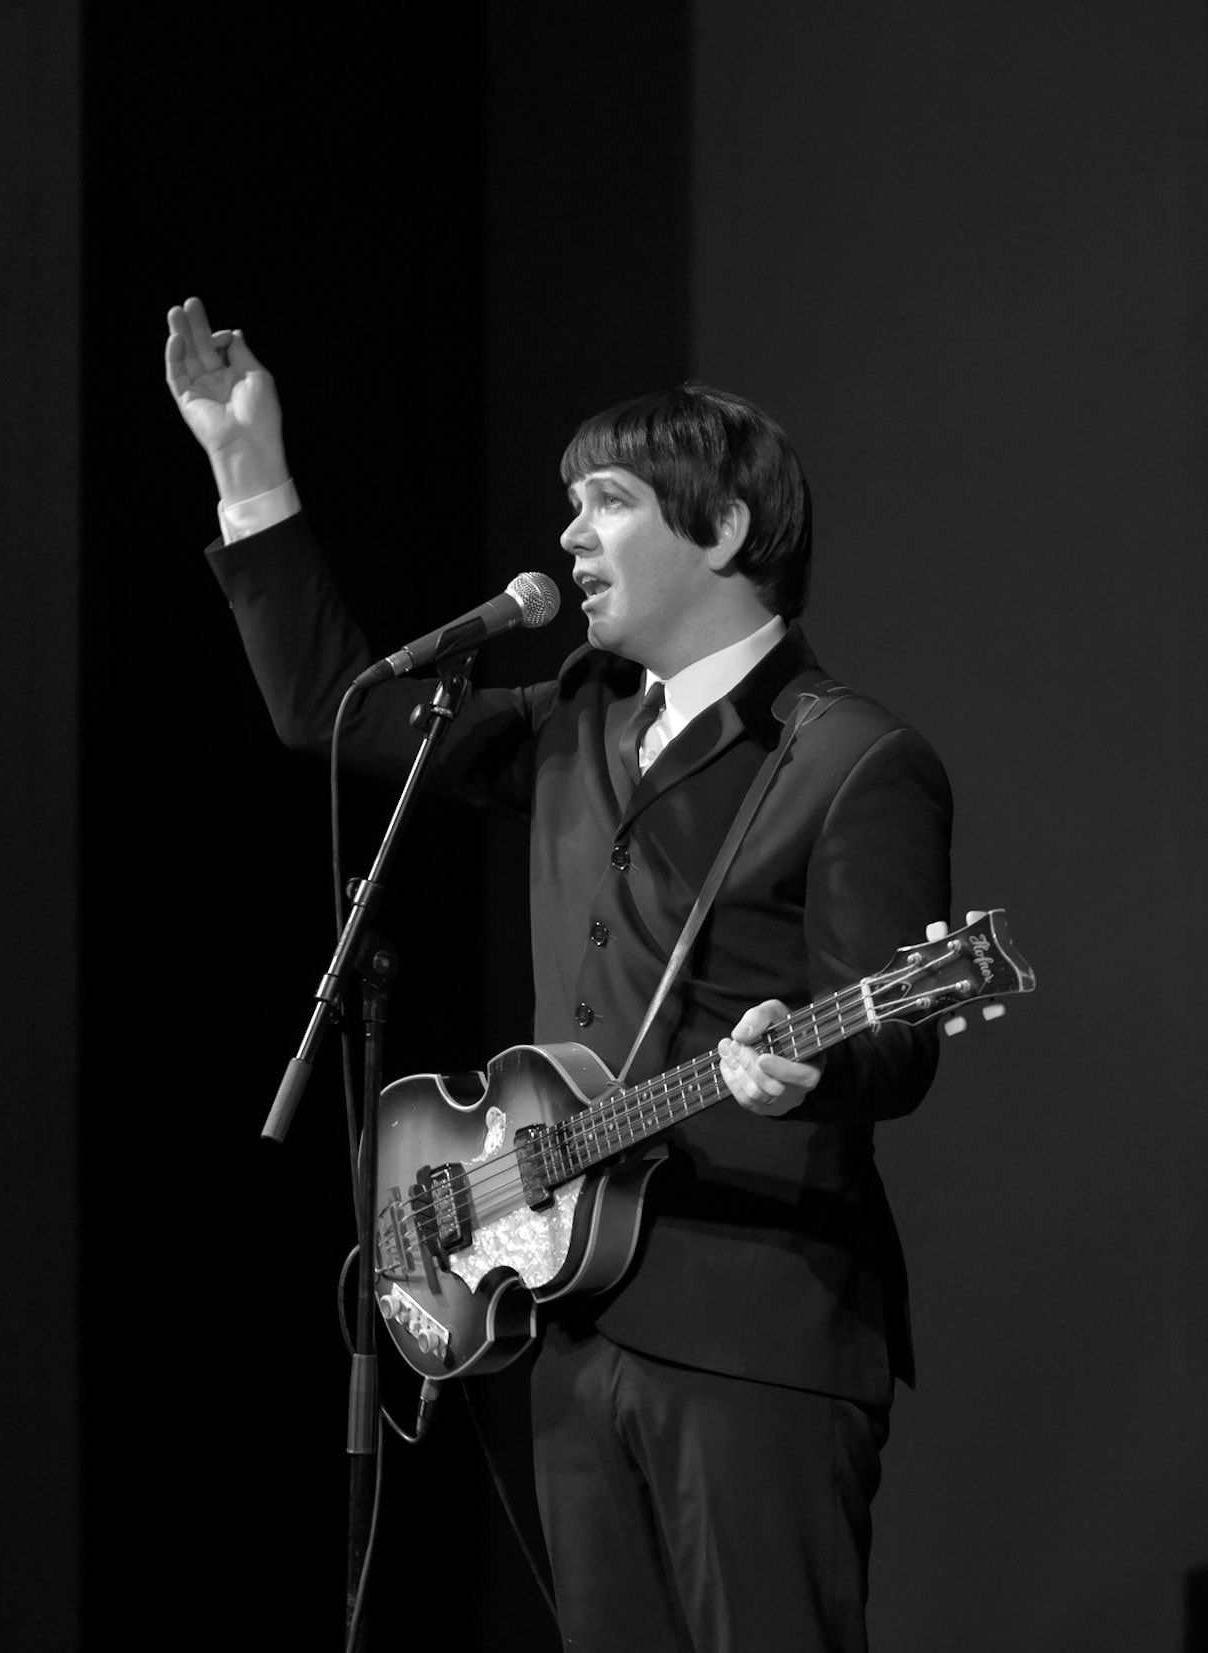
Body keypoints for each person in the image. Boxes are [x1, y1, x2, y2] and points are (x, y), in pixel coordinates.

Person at [166, 295, 952, 1652]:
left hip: (756, 1330)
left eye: (605, 504)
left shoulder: (852, 758)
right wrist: (246, 469)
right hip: (568, 1318)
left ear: (720, 531)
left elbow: (899, 1031)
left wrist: (806, 1061)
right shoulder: (571, 720)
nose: (568, 538)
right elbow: (332, 707)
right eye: (565, 507)